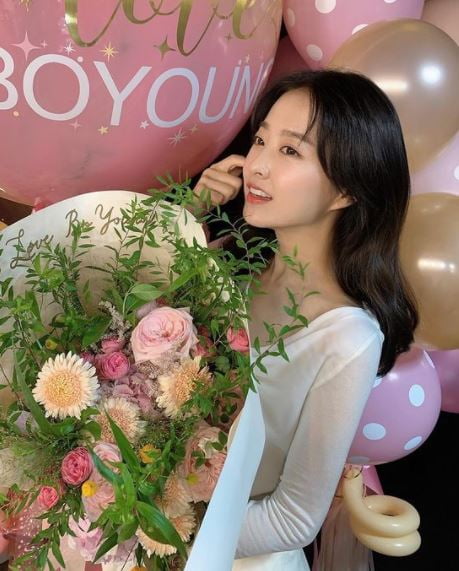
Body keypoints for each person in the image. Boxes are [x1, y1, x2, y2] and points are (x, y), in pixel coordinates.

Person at [191, 69, 418, 571]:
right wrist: (189, 214)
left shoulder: (347, 337)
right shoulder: (226, 260)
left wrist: (162, 532)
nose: (257, 166)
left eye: (290, 150)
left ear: (347, 189)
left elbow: (294, 518)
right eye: (260, 140)